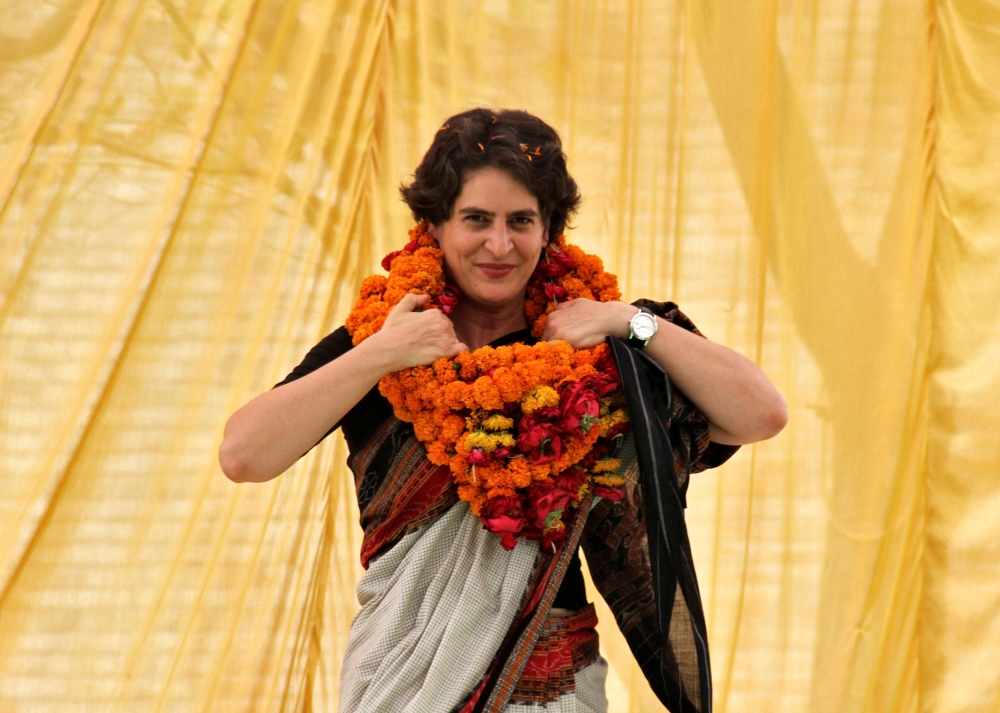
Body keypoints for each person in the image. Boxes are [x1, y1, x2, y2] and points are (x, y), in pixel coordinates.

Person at [219, 108, 786, 713]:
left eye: (521, 221)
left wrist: (630, 322)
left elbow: (760, 415)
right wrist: (382, 353)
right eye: (476, 220)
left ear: (550, 230)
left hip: (554, 687)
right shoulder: (385, 341)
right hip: (403, 677)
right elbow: (244, 455)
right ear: (433, 225)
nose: (499, 244)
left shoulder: (597, 352)